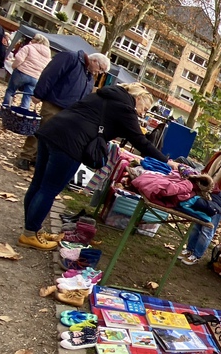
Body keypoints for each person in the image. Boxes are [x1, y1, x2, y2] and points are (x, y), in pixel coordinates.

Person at [19, 83, 176, 250]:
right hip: (70, 144)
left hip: (51, 131)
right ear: (137, 99)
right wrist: (167, 162)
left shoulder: (103, 95)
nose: (142, 114)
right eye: (144, 109)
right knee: (48, 189)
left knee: (38, 183)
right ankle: (29, 234)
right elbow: (140, 141)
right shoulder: (125, 108)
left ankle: (33, 230)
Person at [15, 50, 111, 171]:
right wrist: (39, 93)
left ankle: (36, 158)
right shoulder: (71, 58)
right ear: (94, 61)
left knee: (52, 137)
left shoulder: (89, 75)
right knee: (42, 130)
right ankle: (25, 156)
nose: (100, 73)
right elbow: (50, 74)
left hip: (68, 111)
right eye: (101, 69)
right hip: (54, 103)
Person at [179, 130, 221, 266]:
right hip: (204, 195)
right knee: (196, 224)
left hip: (218, 201)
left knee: (207, 229)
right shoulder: (218, 155)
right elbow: (205, 172)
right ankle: (189, 249)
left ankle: (196, 255)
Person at [0, 33, 51, 111]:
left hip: (22, 72)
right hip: (35, 77)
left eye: (33, 39)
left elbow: (19, 59)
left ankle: (5, 111)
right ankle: (22, 115)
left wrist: (14, 66)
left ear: (37, 41)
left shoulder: (28, 48)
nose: (31, 40)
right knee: (27, 96)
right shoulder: (48, 55)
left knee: (11, 91)